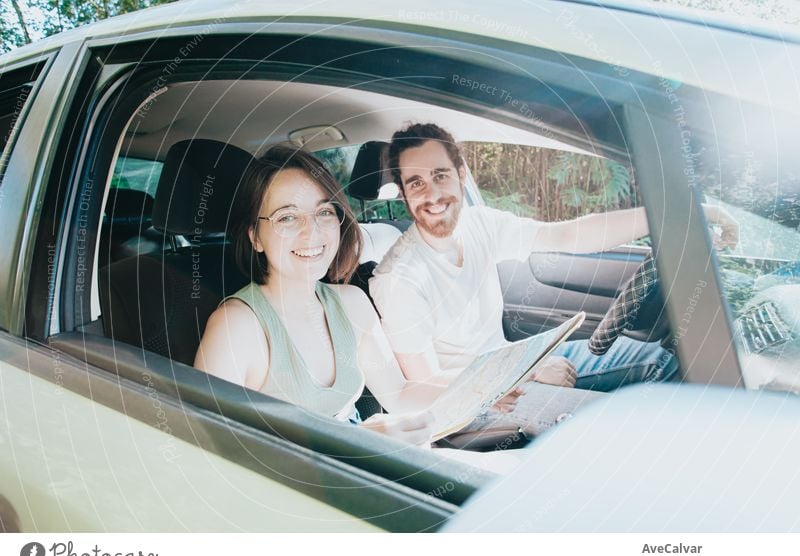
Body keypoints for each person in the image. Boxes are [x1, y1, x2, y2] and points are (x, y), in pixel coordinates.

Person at [369, 123, 739, 442]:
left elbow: (567, 236)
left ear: (461, 174)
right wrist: (524, 373)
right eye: (416, 183)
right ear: (402, 194)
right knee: (617, 427)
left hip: (514, 367)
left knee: (658, 360)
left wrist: (676, 213)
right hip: (476, 407)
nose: (432, 195)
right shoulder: (400, 278)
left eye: (440, 175)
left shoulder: (478, 224)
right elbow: (427, 387)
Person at [194, 145, 438, 445]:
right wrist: (353, 442)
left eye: (323, 212)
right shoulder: (236, 327)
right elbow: (212, 447)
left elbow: (399, 395)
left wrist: (483, 390)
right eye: (287, 217)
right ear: (255, 236)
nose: (312, 233)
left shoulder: (352, 302)